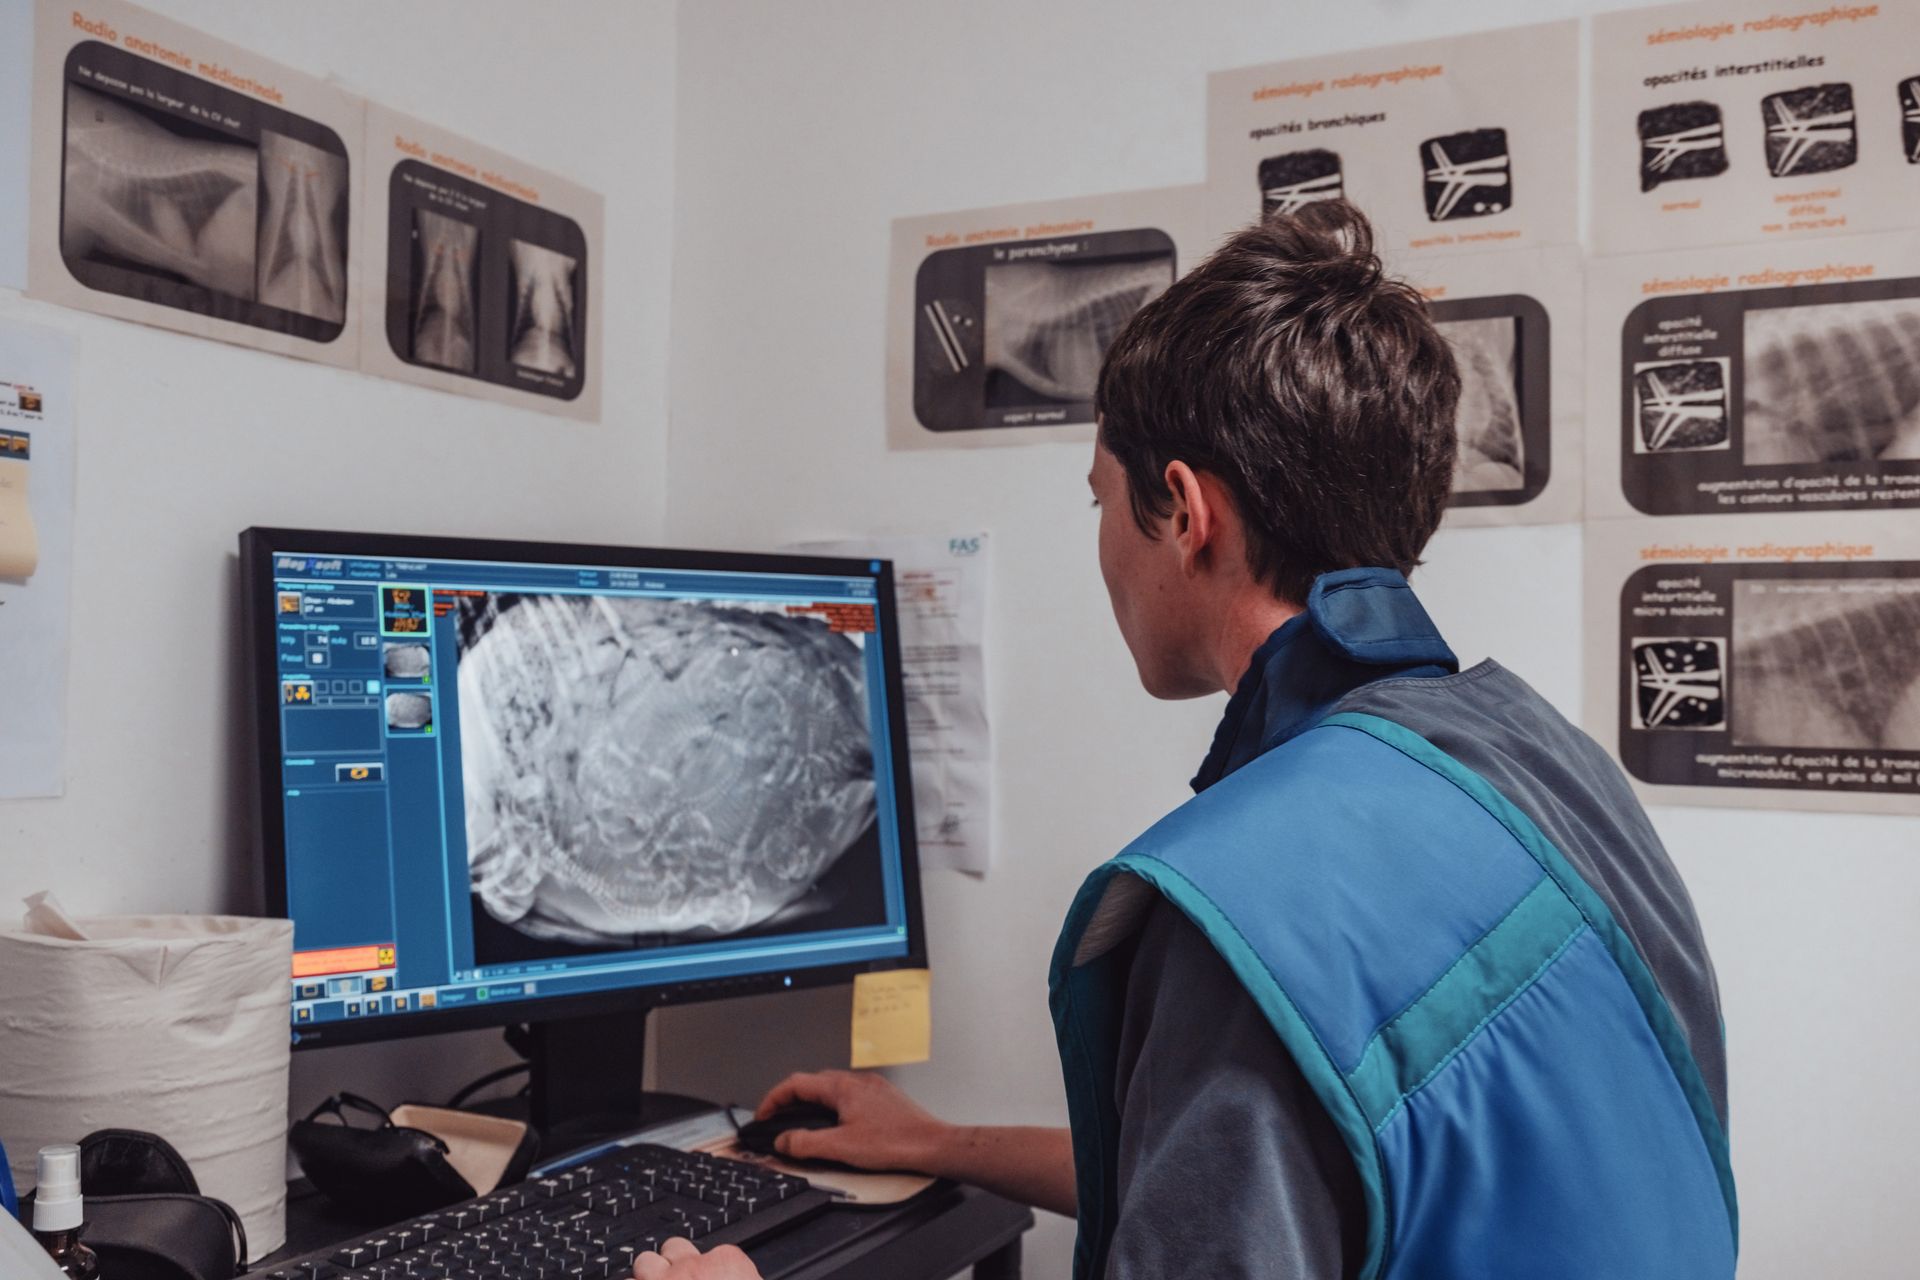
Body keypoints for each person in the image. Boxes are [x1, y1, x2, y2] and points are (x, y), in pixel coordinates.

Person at [629, 202, 1736, 1280]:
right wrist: (942, 1142)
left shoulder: (1245, 906)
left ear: (1184, 510)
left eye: (1101, 498)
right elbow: (1307, 1170)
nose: (1105, 546)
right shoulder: (1544, 761)